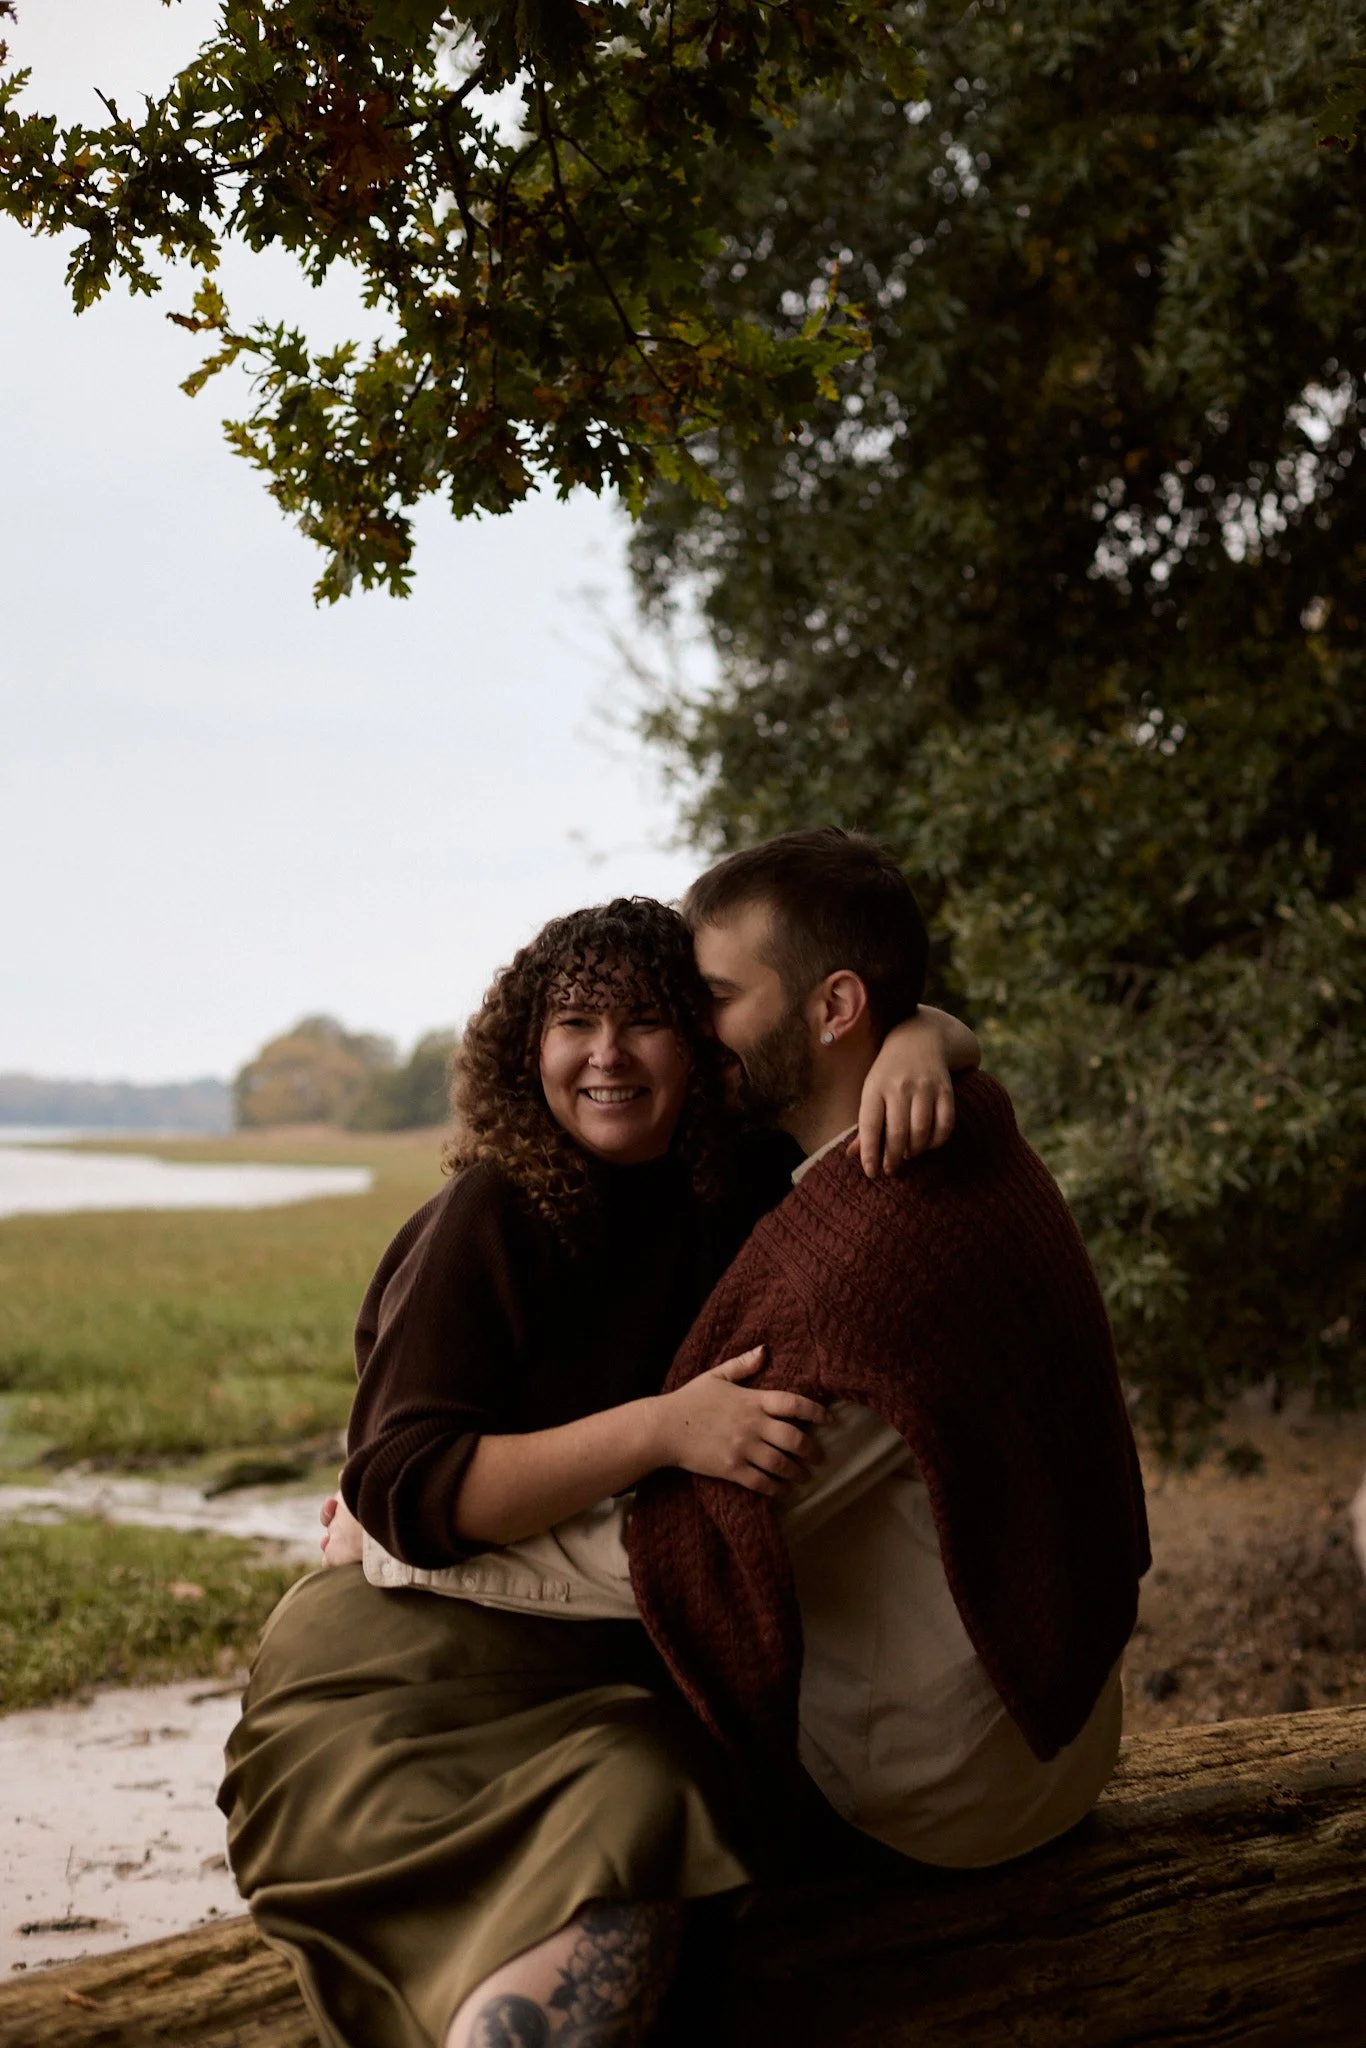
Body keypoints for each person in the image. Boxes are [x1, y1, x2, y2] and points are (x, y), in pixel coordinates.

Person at [219, 892, 977, 2048]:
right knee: (646, 1797)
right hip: (410, 1666)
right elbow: (408, 1498)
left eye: (642, 1020)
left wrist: (929, 1039)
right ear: (530, 1049)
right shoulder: (491, 1213)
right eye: (572, 1023)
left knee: (673, 1792)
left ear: (702, 1045)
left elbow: (864, 1029)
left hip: (616, 1645)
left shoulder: (738, 1184)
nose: (605, 1054)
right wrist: (664, 1429)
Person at [367, 830, 1149, 1878]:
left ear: (829, 1010)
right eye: (577, 1022)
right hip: (1056, 1730)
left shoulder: (835, 1265)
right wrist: (921, 1032)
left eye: (700, 1003)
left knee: (612, 1810)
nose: (685, 1030)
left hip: (931, 1792)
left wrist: (386, 1545)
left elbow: (668, 1561)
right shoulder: (959, 1124)